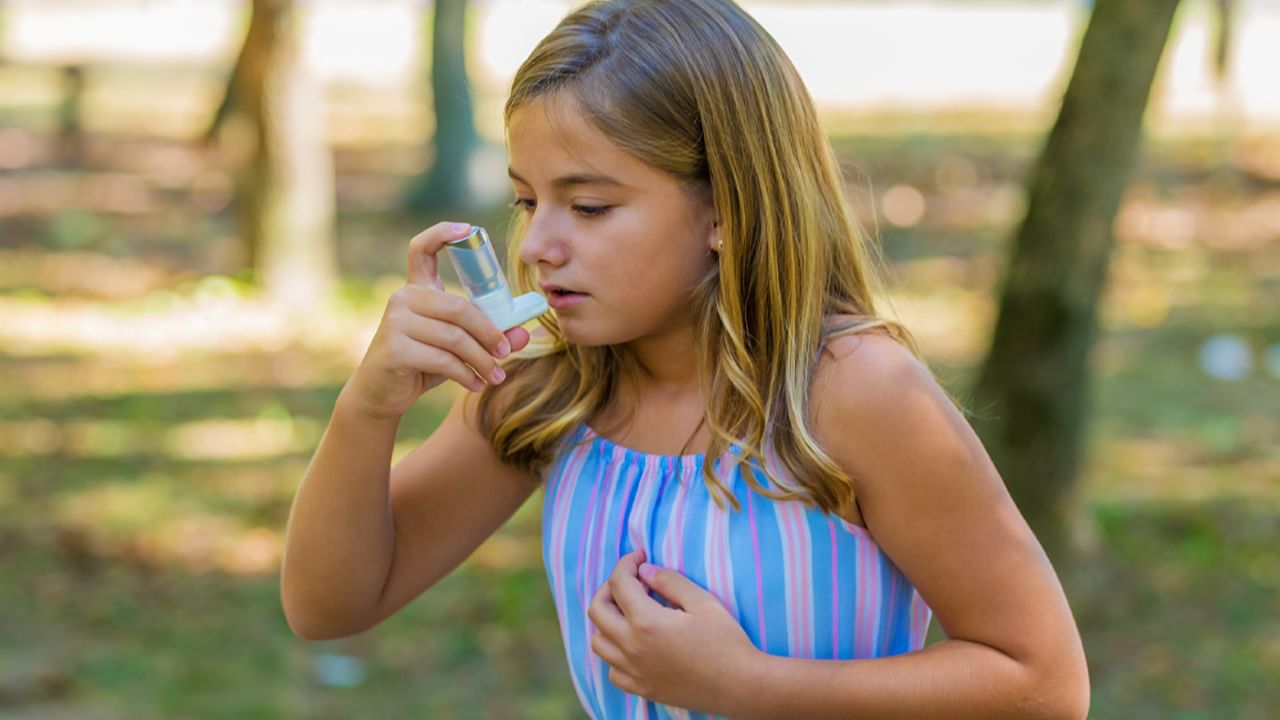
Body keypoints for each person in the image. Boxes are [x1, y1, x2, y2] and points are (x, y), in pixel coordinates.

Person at [280, 0, 1090, 717]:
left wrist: (749, 687)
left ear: (726, 211)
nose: (539, 245)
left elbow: (1043, 685)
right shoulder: (551, 390)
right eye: (528, 200)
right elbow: (331, 604)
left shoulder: (851, 393)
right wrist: (368, 410)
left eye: (590, 205)